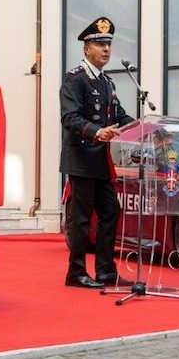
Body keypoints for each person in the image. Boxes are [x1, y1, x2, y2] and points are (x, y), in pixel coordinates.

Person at [59, 16, 135, 289]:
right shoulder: (75, 79)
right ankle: (75, 273)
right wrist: (96, 131)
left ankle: (105, 271)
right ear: (86, 48)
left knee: (111, 211)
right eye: (100, 43)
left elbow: (119, 115)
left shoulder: (107, 82)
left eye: (108, 44)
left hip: (101, 160)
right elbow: (69, 118)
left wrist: (145, 129)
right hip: (81, 158)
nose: (106, 49)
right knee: (80, 218)